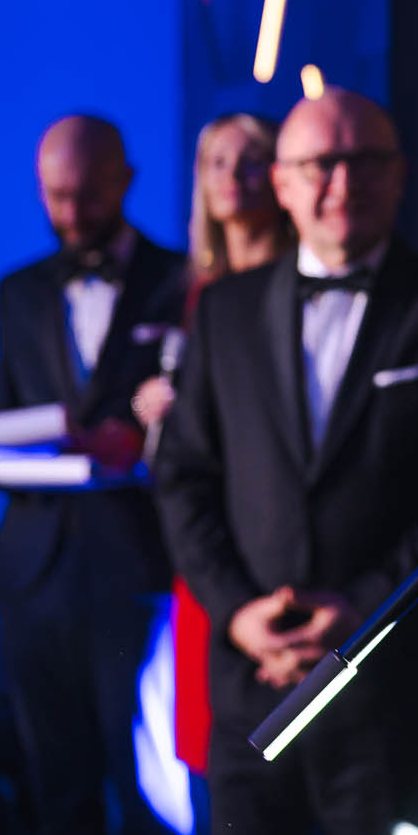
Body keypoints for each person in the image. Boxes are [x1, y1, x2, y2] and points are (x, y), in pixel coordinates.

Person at [153, 90, 418, 835]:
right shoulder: (224, 310)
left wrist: (364, 609)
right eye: (319, 164)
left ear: (399, 174)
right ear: (283, 182)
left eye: (365, 160)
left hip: (399, 687)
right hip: (253, 684)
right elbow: (185, 476)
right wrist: (237, 611)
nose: (343, 182)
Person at [0, 114, 186, 835]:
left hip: (137, 564)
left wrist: (145, 436)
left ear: (125, 180)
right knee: (57, 791)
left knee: (148, 788)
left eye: (87, 194)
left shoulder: (180, 279)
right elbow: (7, 408)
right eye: (56, 196)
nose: (72, 213)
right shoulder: (19, 291)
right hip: (33, 571)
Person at [130, 113, 292, 779]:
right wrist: (151, 406)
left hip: (279, 527)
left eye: (250, 160)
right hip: (206, 543)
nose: (233, 178)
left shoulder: (299, 277)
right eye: (216, 163)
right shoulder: (187, 290)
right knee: (216, 748)